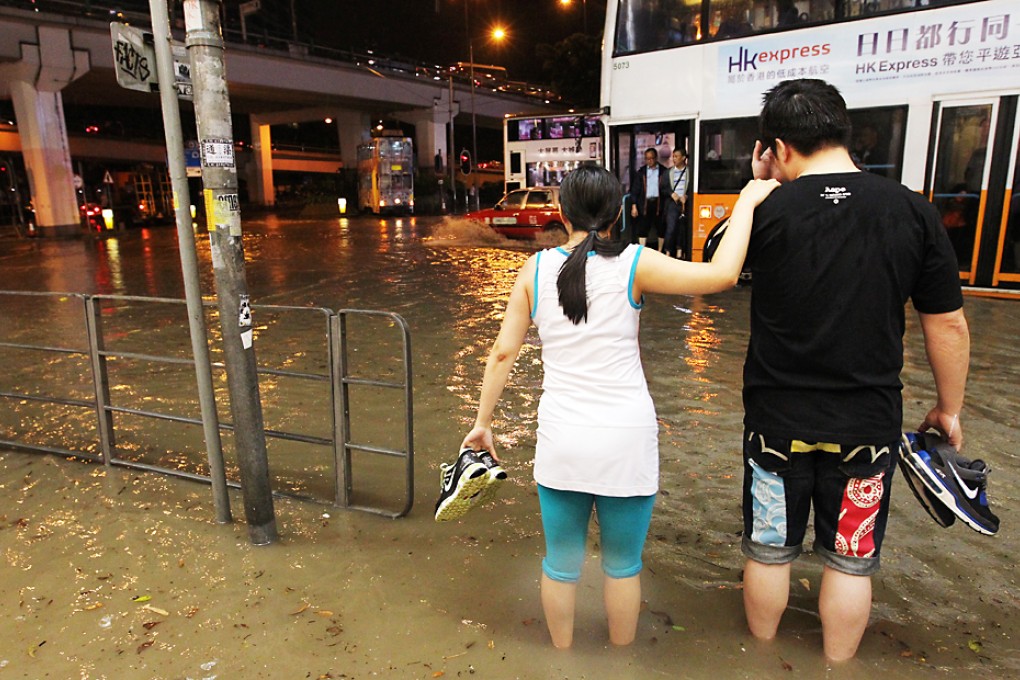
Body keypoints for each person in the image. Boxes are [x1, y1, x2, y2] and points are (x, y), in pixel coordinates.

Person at [461, 165, 778, 649]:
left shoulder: (535, 269)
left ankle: (562, 658)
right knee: (623, 567)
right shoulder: (637, 262)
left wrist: (483, 423)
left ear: (562, 214)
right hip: (626, 439)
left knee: (560, 564)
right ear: (619, 213)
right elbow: (723, 275)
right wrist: (747, 204)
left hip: (563, 439)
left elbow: (503, 352)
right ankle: (622, 659)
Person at [741, 79, 970, 662]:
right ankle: (837, 670)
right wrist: (948, 408)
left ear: (779, 148)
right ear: (842, 130)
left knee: (770, 551)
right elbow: (946, 324)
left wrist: (761, 184)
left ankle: (760, 663)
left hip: (775, 420)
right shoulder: (912, 210)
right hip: (866, 427)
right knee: (850, 557)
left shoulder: (767, 210)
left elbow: (719, 268)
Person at [629, 148, 666, 246]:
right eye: (647, 159)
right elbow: (635, 190)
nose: (650, 161)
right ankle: (642, 250)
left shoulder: (663, 171)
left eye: (652, 158)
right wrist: (634, 205)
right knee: (643, 228)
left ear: (656, 158)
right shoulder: (641, 172)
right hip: (644, 204)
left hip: (659, 203)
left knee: (661, 227)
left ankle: (660, 251)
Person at [660, 148, 691, 259]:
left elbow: (692, 186)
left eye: (676, 156)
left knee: (682, 228)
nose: (674, 159)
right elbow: (663, 188)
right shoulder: (668, 172)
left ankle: (680, 251)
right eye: (673, 156)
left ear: (683, 158)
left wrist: (686, 196)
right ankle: (668, 251)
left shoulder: (690, 172)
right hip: (672, 203)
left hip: (685, 203)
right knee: (671, 227)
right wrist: (671, 193)